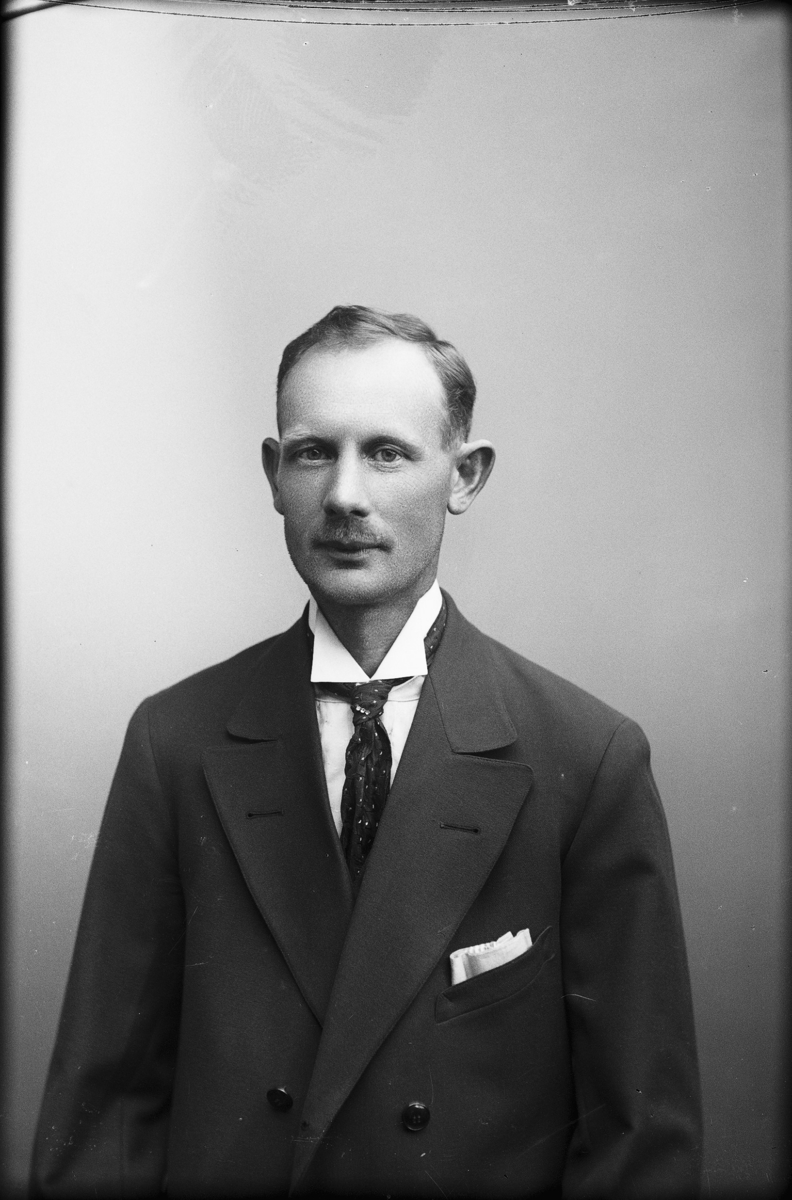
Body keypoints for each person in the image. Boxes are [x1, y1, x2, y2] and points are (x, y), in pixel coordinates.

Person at [31, 305, 702, 1198]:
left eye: (387, 453)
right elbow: (104, 1112)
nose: (345, 496)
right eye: (314, 452)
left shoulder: (587, 757)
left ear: (465, 476)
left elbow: (640, 1139)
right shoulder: (176, 741)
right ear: (274, 475)